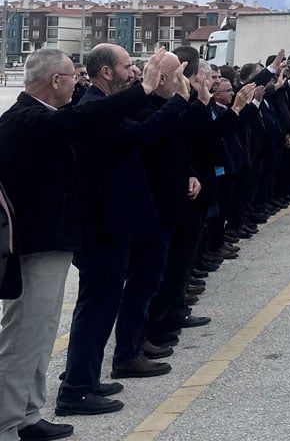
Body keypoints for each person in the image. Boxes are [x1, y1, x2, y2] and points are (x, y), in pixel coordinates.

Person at [0, 48, 176, 441]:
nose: (77, 82)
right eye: (72, 76)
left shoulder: (46, 118)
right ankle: (5, 423)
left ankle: (28, 414)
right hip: (33, 246)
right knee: (23, 336)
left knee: (42, 333)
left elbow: (81, 123)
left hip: (53, 242)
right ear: (56, 81)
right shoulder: (25, 119)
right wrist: (145, 89)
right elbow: (85, 119)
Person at [57, 46, 193, 416]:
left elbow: (138, 130)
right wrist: (172, 98)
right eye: (127, 66)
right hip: (103, 226)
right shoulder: (94, 106)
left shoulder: (105, 105)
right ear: (106, 72)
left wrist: (170, 97)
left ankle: (82, 378)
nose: (133, 72)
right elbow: (143, 134)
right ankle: (76, 390)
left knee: (100, 306)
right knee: (96, 307)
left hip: (112, 223)